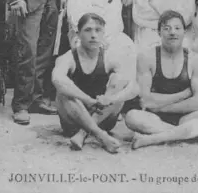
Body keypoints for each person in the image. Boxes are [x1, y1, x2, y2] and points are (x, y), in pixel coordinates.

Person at [125, 11, 198, 149]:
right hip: (155, 118)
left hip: (186, 116)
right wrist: (183, 95)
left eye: (177, 28)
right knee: (132, 117)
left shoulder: (195, 60)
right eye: (167, 28)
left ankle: (153, 139)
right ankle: (192, 134)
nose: (172, 32)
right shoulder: (146, 57)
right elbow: (145, 100)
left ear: (184, 32)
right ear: (159, 32)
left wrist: (161, 106)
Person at [52, 13, 139, 153]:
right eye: (88, 30)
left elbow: (134, 87)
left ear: (103, 34)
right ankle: (100, 136)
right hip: (72, 121)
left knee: (119, 81)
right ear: (78, 34)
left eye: (98, 30)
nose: (93, 35)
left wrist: (111, 98)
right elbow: (57, 79)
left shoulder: (111, 57)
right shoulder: (68, 57)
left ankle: (82, 134)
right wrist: (87, 100)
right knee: (63, 91)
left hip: (104, 119)